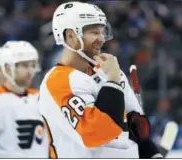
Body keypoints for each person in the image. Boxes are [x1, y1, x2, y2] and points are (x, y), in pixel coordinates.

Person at [38, 1, 161, 158]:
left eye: (103, 32)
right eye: (94, 33)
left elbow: (137, 131)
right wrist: (113, 81)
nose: (102, 39)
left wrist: (152, 154)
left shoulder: (109, 73)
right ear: (70, 36)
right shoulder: (58, 81)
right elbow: (95, 134)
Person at [0, 41, 49, 158]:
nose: (30, 71)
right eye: (24, 65)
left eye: (33, 65)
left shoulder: (40, 98)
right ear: (7, 68)